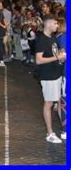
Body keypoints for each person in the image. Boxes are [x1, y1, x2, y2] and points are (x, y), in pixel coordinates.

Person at [35, 15, 66, 144]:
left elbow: (55, 51)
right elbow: (39, 60)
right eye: (55, 23)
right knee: (49, 103)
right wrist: (57, 58)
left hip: (56, 74)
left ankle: (65, 129)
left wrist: (61, 53)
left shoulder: (52, 37)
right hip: (48, 76)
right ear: (48, 24)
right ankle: (50, 133)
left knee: (58, 101)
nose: (57, 25)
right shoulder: (42, 39)